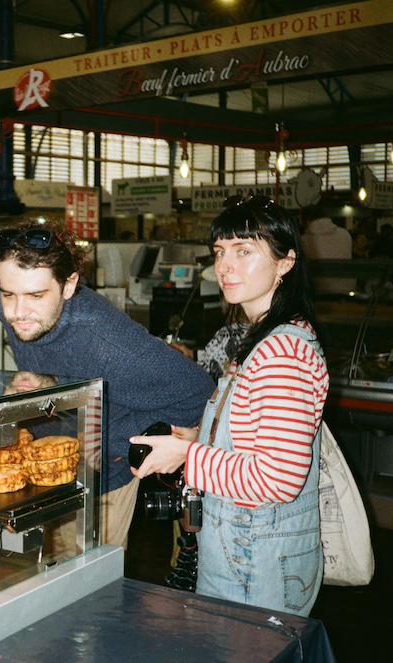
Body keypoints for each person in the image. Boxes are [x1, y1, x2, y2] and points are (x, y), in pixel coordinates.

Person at [131, 196, 329, 617]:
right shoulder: (262, 335)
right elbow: (257, 437)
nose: (224, 266)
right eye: (220, 252)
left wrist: (188, 456)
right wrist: (200, 437)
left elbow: (277, 479)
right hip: (245, 553)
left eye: (244, 251)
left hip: (256, 565)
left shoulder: (281, 354)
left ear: (285, 262)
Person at [0, 220, 214, 548]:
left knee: (86, 589)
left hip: (103, 478)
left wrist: (110, 440)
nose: (18, 312)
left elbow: (199, 393)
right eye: (10, 294)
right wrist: (51, 385)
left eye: (36, 295)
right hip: (44, 466)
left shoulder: (109, 344)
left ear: (68, 285)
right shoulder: (0, 297)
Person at [301, 207, 353, 294]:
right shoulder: (345, 234)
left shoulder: (305, 240)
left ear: (307, 221)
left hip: (319, 290)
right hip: (347, 288)